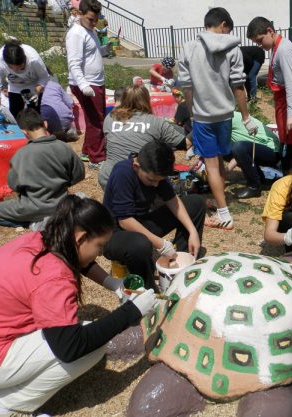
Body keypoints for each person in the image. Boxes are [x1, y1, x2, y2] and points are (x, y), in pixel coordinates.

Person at [0, 195, 158, 417]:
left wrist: (112, 283)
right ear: (80, 238)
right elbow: (70, 348)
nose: (100, 253)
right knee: (90, 347)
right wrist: (133, 310)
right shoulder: (54, 278)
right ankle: (3, 407)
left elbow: (79, 260)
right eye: (99, 246)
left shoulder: (43, 240)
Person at [179, 7, 258, 231]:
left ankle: (224, 214)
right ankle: (220, 199)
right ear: (223, 24)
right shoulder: (233, 48)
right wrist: (246, 116)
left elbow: (186, 86)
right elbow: (238, 86)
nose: (226, 34)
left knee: (211, 166)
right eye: (227, 30)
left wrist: (192, 114)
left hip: (204, 117)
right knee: (219, 162)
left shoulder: (190, 48)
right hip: (225, 115)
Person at [103, 140, 206, 291]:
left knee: (196, 203)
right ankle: (149, 289)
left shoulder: (155, 173)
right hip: (114, 234)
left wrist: (192, 231)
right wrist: (161, 244)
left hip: (141, 223)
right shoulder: (122, 172)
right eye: (151, 180)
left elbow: (172, 200)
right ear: (137, 166)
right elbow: (125, 221)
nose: (156, 185)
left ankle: (180, 264)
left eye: (160, 181)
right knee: (140, 244)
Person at [0, 108, 85, 229]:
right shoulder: (63, 147)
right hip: (64, 204)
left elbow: (14, 185)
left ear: (24, 131)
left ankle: (34, 223)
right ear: (45, 124)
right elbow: (78, 175)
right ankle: (49, 220)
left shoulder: (21, 155)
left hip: (32, 207)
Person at [247, 16, 292, 174]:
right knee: (290, 143)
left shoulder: (284, 50)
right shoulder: (277, 47)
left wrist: (291, 115)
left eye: (260, 41)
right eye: (257, 43)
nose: (260, 46)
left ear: (270, 31)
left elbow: (291, 84)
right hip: (286, 101)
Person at [99, 85, 186, 189]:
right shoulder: (155, 122)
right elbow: (183, 143)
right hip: (139, 179)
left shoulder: (110, 117)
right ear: (146, 100)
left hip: (108, 177)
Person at [66, 0, 110, 169]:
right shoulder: (76, 33)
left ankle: (87, 151)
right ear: (79, 14)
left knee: (95, 118)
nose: (94, 23)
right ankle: (96, 157)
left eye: (96, 20)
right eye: (91, 19)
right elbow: (74, 63)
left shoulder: (89, 30)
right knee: (96, 120)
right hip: (87, 83)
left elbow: (93, 55)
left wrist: (104, 49)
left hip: (95, 82)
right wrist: (84, 85)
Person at [0, 40, 49, 119]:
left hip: (34, 85)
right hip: (14, 86)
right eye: (11, 68)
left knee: (35, 115)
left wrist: (37, 91)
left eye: (20, 67)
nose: (16, 71)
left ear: (24, 59)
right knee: (15, 115)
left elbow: (44, 77)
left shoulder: (33, 59)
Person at [227, 111, 280, 198]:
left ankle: (254, 186)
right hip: (253, 149)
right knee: (227, 151)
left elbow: (239, 151)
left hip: (272, 152)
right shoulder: (221, 118)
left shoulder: (227, 119)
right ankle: (260, 178)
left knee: (238, 148)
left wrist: (226, 171)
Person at [40, 69, 77, 141]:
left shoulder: (32, 89)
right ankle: (67, 131)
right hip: (65, 119)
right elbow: (70, 102)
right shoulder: (55, 85)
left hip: (47, 125)